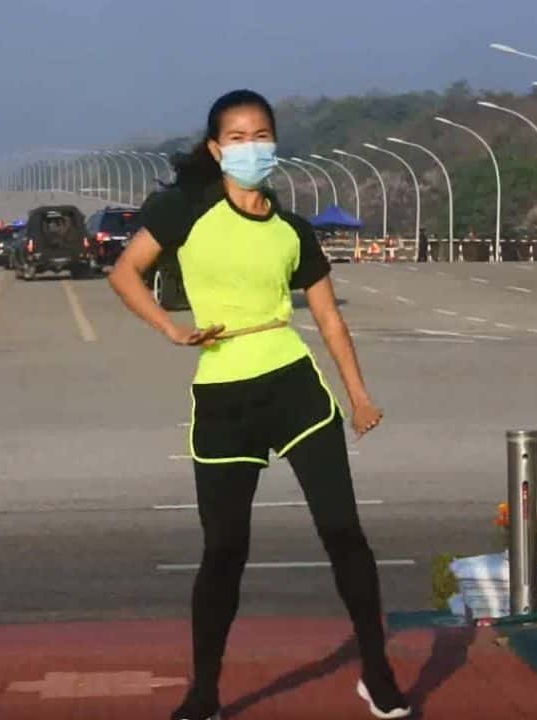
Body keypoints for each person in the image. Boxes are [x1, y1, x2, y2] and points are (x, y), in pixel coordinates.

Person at [108, 89, 411, 720]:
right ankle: (205, 692)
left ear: (275, 143)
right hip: (223, 397)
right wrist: (171, 329)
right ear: (218, 149)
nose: (252, 147)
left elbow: (329, 320)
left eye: (261, 135)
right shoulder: (183, 209)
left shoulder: (292, 231)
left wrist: (358, 396)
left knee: (343, 533)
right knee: (224, 550)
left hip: (295, 387)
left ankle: (377, 671)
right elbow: (125, 273)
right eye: (238, 138)